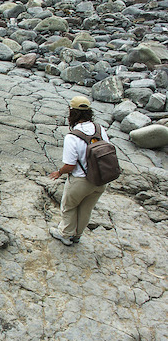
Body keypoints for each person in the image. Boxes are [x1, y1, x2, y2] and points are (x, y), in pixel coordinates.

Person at [49, 96, 109, 246]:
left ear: (72, 113)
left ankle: (65, 234)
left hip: (81, 181)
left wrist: (59, 172)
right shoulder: (99, 128)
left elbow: (70, 166)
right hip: (101, 179)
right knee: (86, 209)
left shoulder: (73, 136)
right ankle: (77, 235)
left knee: (69, 206)